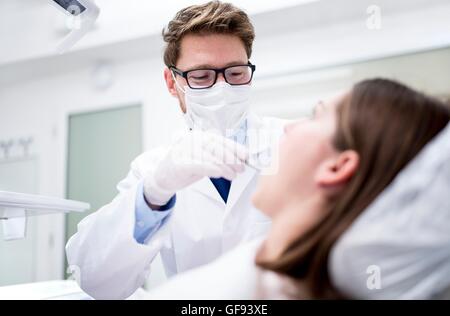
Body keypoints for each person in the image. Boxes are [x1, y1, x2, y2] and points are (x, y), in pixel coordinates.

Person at [138, 78, 450, 300]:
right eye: (203, 76)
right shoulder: (263, 265)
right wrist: (153, 191)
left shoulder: (248, 290)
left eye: (317, 116)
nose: (289, 126)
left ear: (337, 167)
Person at [66, 1, 285, 300]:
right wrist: (154, 193)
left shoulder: (291, 142)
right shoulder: (153, 170)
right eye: (201, 76)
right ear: (172, 83)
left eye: (235, 73)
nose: (222, 88)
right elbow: (95, 280)